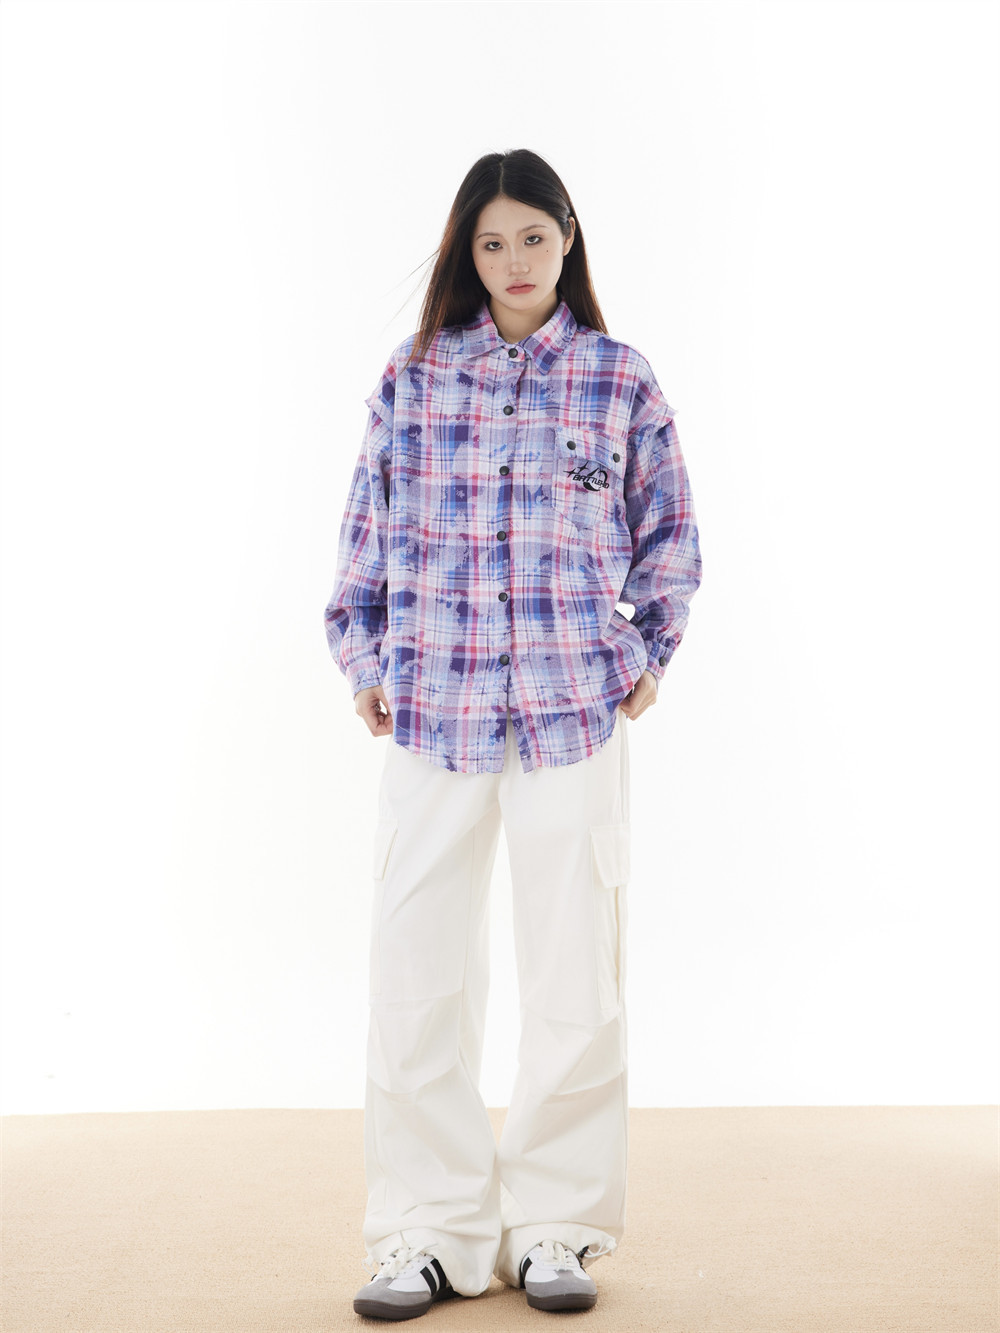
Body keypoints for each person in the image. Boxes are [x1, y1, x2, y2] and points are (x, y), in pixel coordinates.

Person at [323, 148, 702, 1321]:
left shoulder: (617, 378)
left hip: (571, 712)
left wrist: (644, 652)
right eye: (491, 243)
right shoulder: (415, 374)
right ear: (467, 254)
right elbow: (365, 522)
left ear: (567, 237)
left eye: (532, 237)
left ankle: (554, 1227)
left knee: (574, 973)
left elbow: (670, 531)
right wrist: (363, 656)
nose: (514, 261)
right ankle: (428, 1230)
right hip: (431, 707)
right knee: (416, 973)